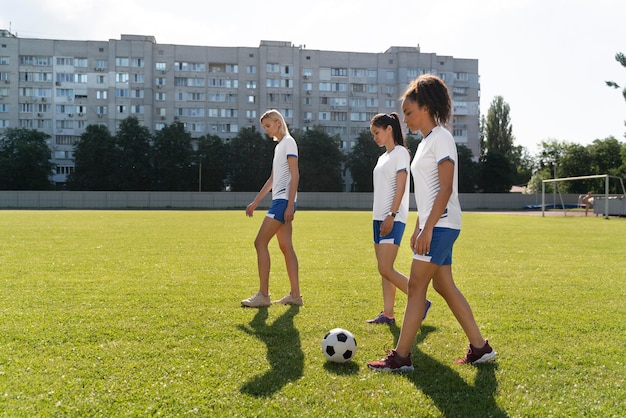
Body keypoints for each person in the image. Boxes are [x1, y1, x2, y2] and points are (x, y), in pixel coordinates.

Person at [368, 74, 496, 371]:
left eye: (409, 113)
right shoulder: (426, 143)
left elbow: (446, 188)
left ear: (426, 108)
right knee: (444, 284)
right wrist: (418, 226)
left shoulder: (442, 138)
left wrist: (428, 228)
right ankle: (481, 348)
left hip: (442, 224)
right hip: (435, 224)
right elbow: (426, 193)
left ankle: (400, 358)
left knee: (416, 287)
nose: (406, 120)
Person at [366, 112, 431, 325]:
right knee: (384, 270)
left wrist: (391, 215)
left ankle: (421, 302)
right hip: (378, 218)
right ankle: (388, 314)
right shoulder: (382, 157)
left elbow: (402, 186)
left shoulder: (401, 153)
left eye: (377, 132)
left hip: (392, 217)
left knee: (385, 268)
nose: (375, 137)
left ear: (389, 129)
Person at [241, 109, 302, 307]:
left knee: (260, 242)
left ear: (277, 122)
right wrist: (256, 201)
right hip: (281, 200)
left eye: (268, 125)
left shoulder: (289, 142)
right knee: (286, 247)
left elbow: (295, 174)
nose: (266, 130)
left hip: (283, 202)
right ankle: (295, 295)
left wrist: (290, 204)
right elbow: (273, 179)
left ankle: (263, 295)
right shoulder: (279, 147)